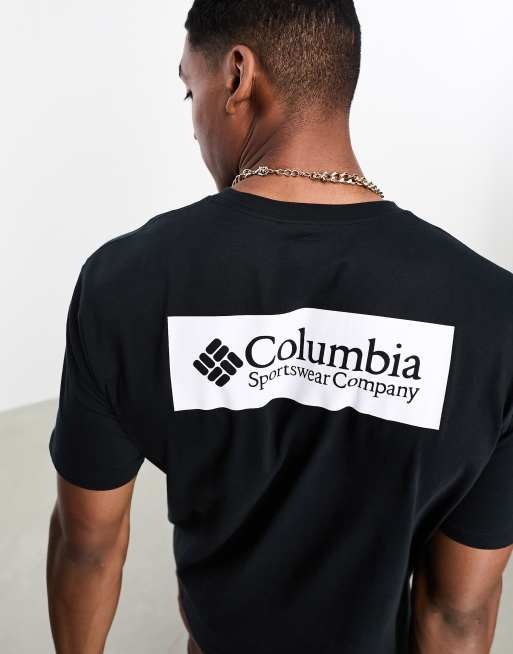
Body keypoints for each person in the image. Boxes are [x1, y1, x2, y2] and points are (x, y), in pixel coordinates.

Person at [46, 2, 513, 653]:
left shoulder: (124, 282)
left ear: (238, 76)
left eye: (191, 91)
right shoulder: (494, 314)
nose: (194, 128)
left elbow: (88, 548)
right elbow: (457, 611)